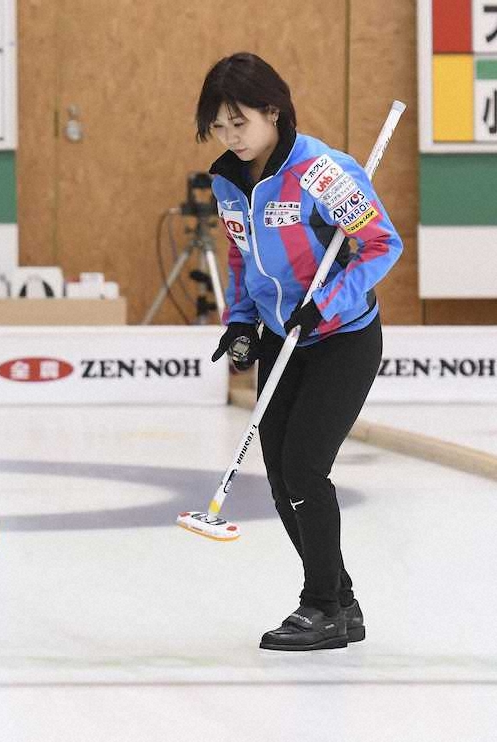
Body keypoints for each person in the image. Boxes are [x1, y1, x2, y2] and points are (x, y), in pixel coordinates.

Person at [196, 53, 402, 651]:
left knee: (306, 468)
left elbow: (381, 245)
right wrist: (239, 321)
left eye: (240, 123)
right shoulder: (227, 181)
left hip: (342, 338)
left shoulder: (322, 172)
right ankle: (341, 601)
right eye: (220, 127)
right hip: (279, 339)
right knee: (283, 476)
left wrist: (327, 304)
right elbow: (241, 256)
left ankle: (321, 608)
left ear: (273, 111)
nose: (232, 137)